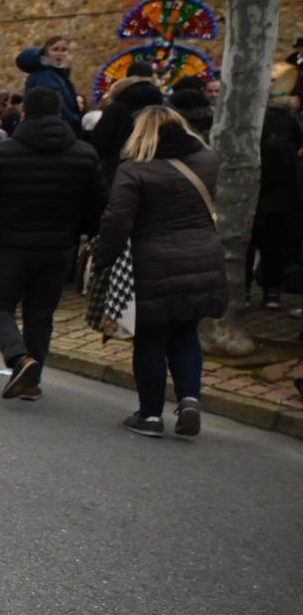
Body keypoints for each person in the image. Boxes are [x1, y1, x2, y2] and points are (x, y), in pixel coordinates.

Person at [0, 86, 106, 401]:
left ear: (24, 113)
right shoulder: (83, 154)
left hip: (8, 243)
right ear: (60, 113)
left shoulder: (1, 152)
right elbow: (97, 206)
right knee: (40, 315)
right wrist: (75, 231)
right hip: (57, 247)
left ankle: (18, 358)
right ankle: (31, 378)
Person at [93, 106, 225, 437]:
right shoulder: (209, 161)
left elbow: (117, 221)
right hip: (203, 257)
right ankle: (190, 399)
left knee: (151, 339)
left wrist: (102, 259)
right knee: (186, 334)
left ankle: (150, 415)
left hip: (152, 263)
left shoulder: (134, 170)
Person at [251, 94, 303, 309]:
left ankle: (245, 290)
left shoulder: (256, 135)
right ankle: (272, 292)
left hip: (254, 198)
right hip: (282, 202)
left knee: (249, 246)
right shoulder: (290, 141)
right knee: (274, 246)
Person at [88, 77, 163, 184]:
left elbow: (100, 141)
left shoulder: (116, 108)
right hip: (157, 167)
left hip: (118, 168)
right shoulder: (162, 109)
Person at [16, 35, 82, 131]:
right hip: (50, 128)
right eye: (55, 49)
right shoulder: (45, 76)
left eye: (64, 50)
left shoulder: (58, 75)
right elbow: (53, 104)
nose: (60, 53)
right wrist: (74, 119)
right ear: (46, 53)